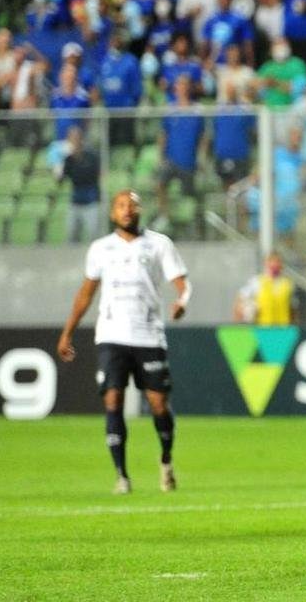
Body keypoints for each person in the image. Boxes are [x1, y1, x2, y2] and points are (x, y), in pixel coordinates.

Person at [55, 190, 190, 494]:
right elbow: (86, 293)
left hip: (148, 334)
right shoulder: (101, 249)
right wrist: (67, 332)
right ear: (113, 213)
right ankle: (122, 476)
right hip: (111, 335)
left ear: (140, 209)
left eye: (131, 205)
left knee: (158, 404)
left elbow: (181, 282)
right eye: (120, 206)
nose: (126, 210)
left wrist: (182, 300)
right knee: (112, 399)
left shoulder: (159, 244)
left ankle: (166, 461)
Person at [156, 75, 207, 228]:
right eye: (179, 85)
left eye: (185, 85)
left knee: (191, 193)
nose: (182, 88)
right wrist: (161, 156)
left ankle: (196, 220)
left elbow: (203, 136)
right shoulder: (170, 109)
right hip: (171, 159)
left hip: (189, 161)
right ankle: (164, 216)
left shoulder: (197, 110)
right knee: (159, 183)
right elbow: (163, 134)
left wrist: (202, 156)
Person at [58, 126, 102, 243]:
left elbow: (89, 176)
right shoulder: (68, 159)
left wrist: (76, 159)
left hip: (91, 201)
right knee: (71, 234)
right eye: (71, 138)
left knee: (94, 234)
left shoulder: (91, 156)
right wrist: (59, 167)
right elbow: (62, 179)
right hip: (75, 201)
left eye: (76, 138)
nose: (74, 141)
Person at [234, 252, 296, 325]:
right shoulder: (257, 282)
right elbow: (240, 298)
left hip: (284, 330)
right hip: (263, 330)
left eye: (277, 262)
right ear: (266, 263)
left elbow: (292, 310)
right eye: (271, 261)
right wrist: (245, 313)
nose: (275, 264)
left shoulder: (288, 284)